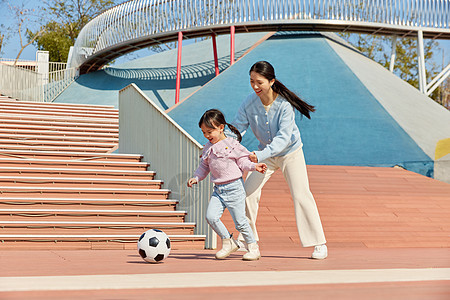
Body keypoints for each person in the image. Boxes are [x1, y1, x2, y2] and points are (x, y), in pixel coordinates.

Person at [232, 61, 328, 259]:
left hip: (290, 153)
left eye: (259, 82)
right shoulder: (248, 103)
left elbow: (284, 139)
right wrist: (222, 144)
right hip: (265, 155)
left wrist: (259, 156)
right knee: (247, 194)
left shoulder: (285, 105)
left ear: (271, 81)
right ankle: (245, 239)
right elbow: (236, 129)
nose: (255, 86)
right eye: (252, 81)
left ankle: (318, 243)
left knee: (301, 194)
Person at [187, 109, 267, 261]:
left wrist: (253, 167)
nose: (207, 136)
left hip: (235, 188)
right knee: (211, 217)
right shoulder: (207, 148)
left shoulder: (232, 144)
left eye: (210, 132)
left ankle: (253, 248)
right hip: (218, 190)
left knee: (241, 222)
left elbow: (243, 162)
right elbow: (204, 167)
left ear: (221, 127)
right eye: (204, 132)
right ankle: (228, 242)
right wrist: (196, 177)